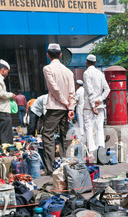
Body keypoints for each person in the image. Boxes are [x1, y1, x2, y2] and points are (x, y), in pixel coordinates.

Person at [42, 43, 76, 175]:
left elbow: (54, 89)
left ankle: (50, 169)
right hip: (67, 109)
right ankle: (65, 166)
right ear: (61, 55)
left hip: (55, 107)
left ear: (47, 55)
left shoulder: (47, 68)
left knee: (48, 135)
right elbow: (72, 91)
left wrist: (65, 103)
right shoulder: (68, 71)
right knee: (65, 137)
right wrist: (70, 107)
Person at [82, 54, 110, 158]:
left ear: (86, 62)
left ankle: (92, 153)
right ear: (95, 63)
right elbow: (107, 89)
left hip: (90, 107)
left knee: (89, 129)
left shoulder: (87, 73)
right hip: (100, 106)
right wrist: (100, 100)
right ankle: (101, 151)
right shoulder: (100, 73)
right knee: (99, 129)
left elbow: (90, 90)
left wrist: (93, 105)